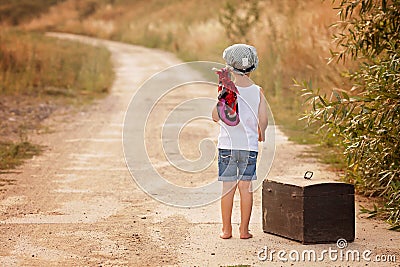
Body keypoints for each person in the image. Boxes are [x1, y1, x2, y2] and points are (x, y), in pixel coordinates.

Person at [212, 44, 268, 239]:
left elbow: (215, 116)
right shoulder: (258, 91)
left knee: (228, 187)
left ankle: (226, 230)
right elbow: (263, 120)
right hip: (248, 148)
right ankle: (244, 231)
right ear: (253, 67)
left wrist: (221, 98)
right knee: (246, 188)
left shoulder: (227, 90)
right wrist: (261, 134)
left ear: (230, 67)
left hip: (227, 146)